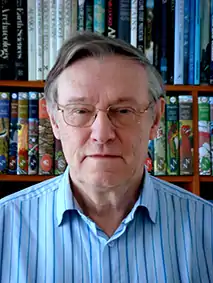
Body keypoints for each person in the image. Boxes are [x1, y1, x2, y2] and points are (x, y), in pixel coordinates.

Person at [0, 32, 212, 283]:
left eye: (123, 111)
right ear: (54, 121)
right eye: (80, 110)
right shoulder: (5, 226)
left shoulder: (206, 228)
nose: (102, 134)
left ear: (155, 119)